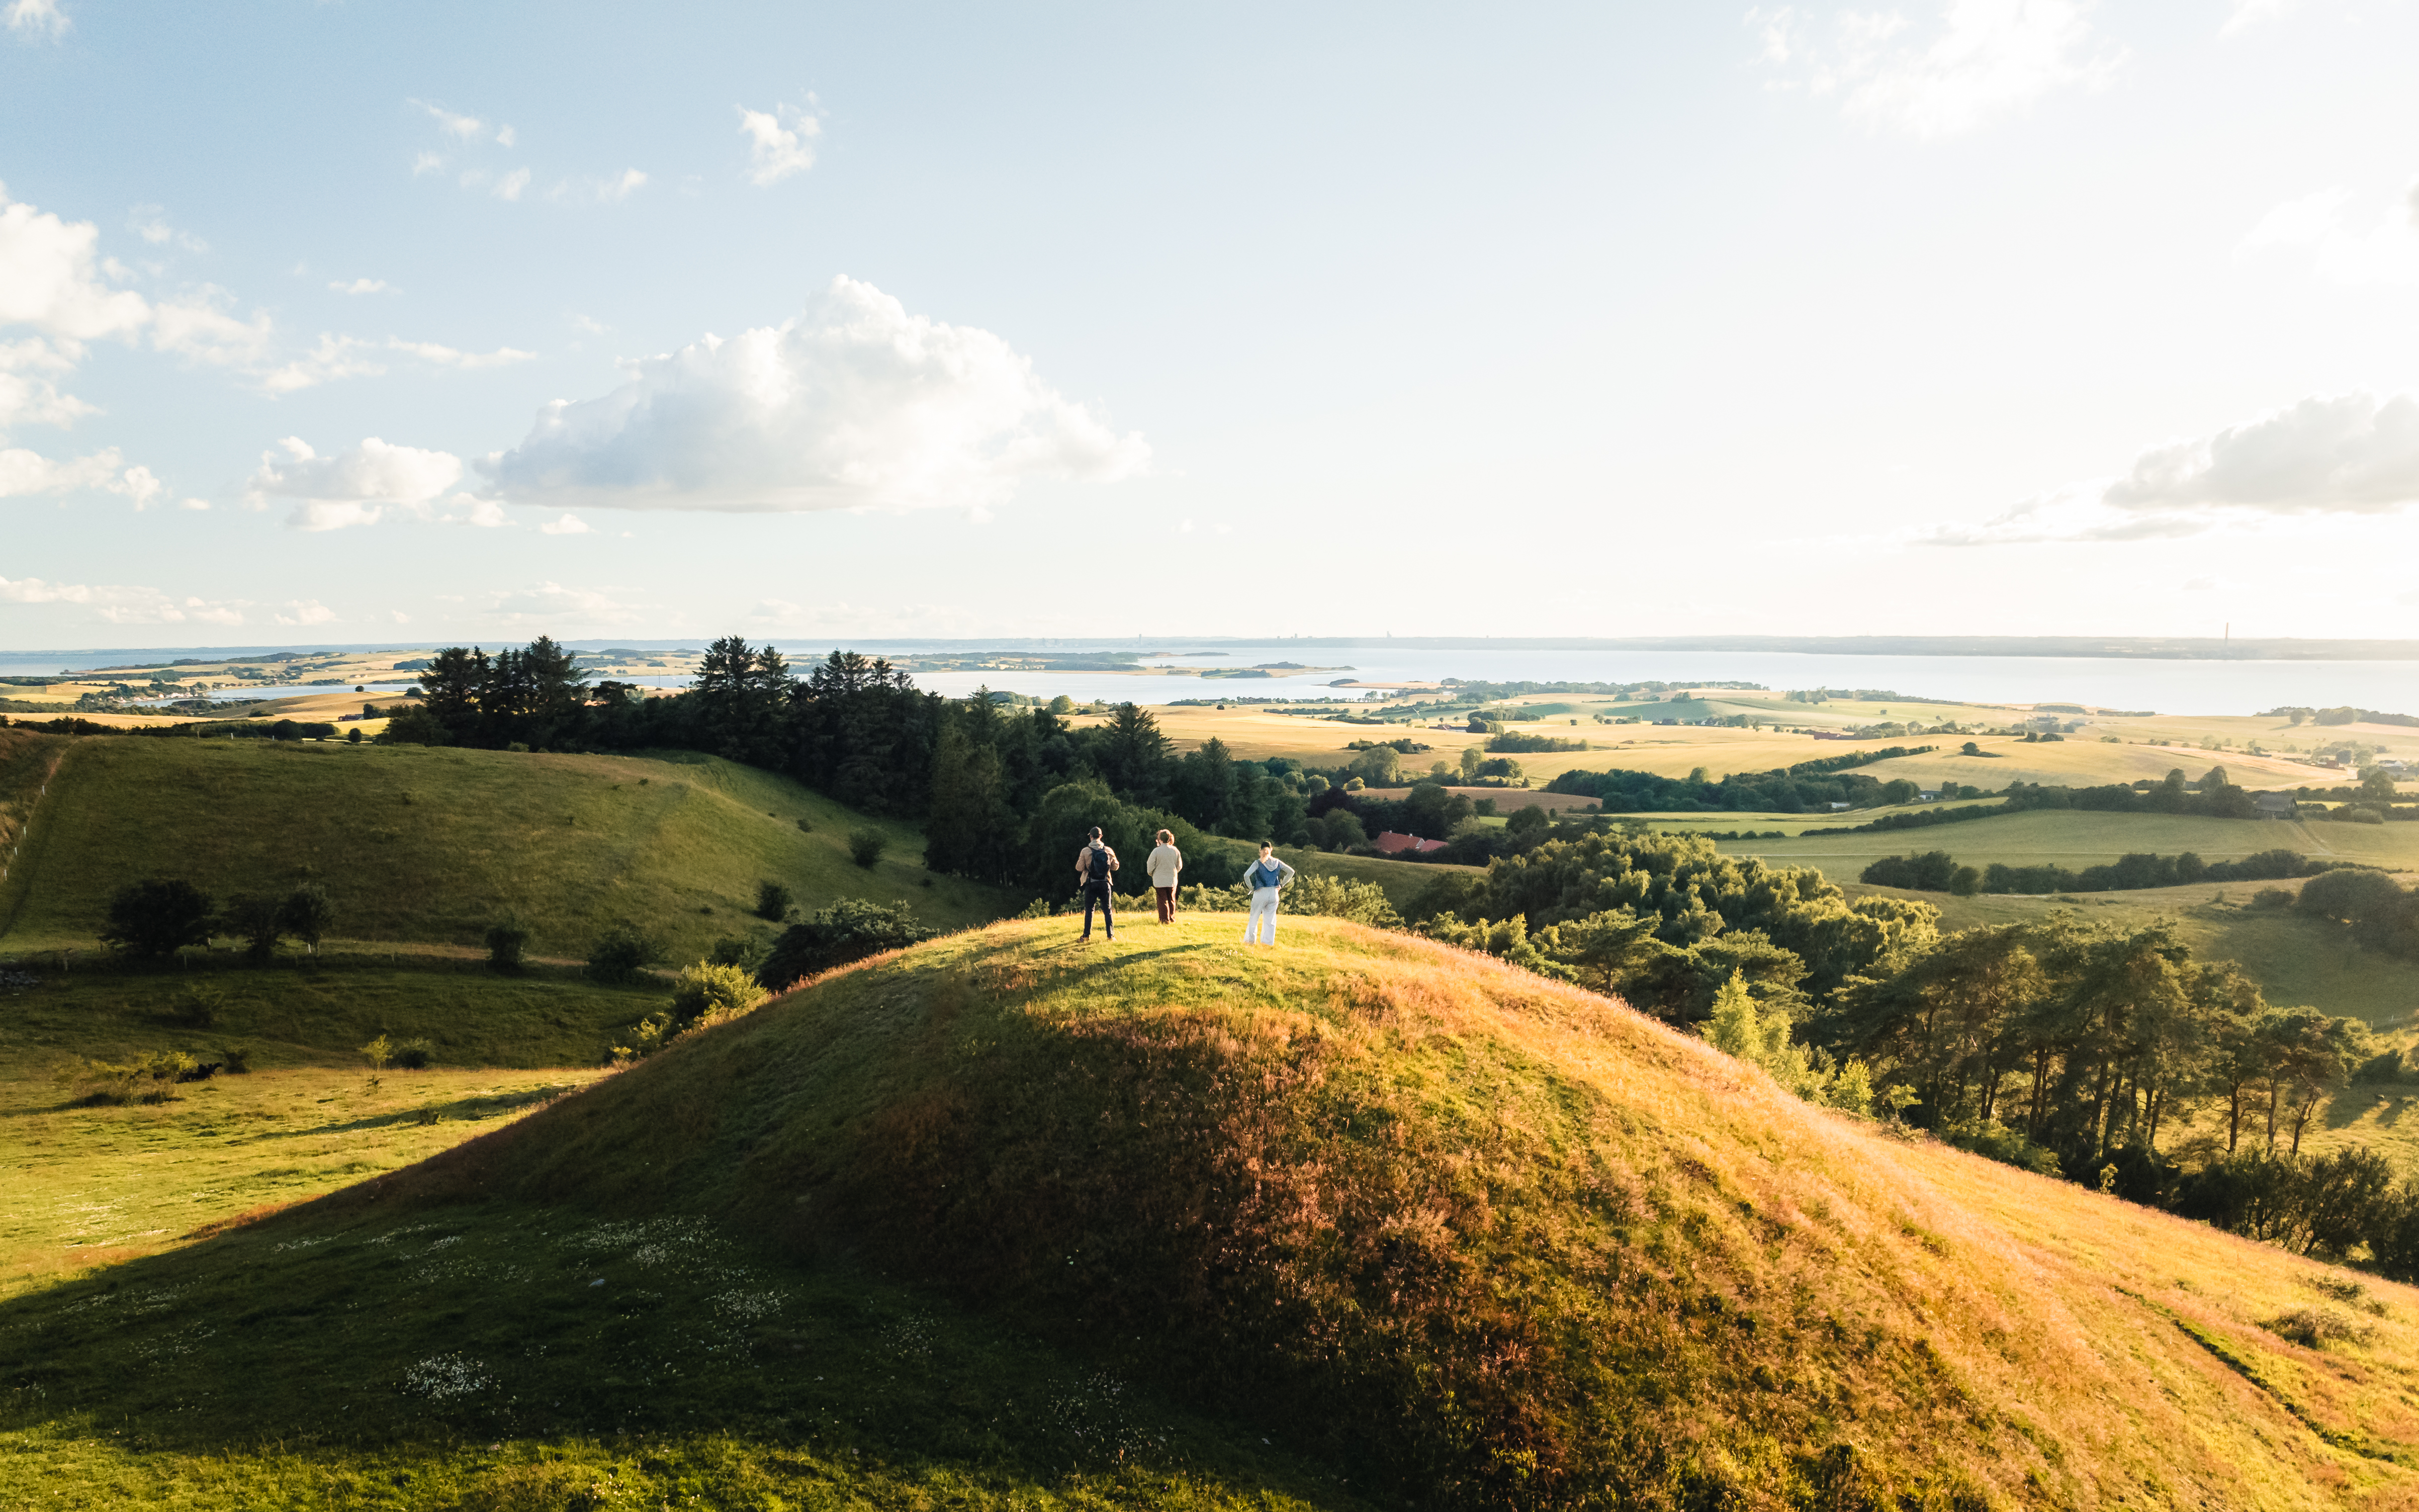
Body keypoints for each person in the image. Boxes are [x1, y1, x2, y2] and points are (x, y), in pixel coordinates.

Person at [1241, 842, 1296, 946]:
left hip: (1260, 892)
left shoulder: (1258, 863)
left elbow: (1246, 876)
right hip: (1274, 893)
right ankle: (1267, 944)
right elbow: (1291, 872)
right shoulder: (1277, 862)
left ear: (1260, 850)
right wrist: (1282, 885)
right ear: (1271, 850)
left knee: (1254, 918)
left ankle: (1250, 942)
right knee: (1270, 921)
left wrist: (1251, 888)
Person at [1073, 826, 1119, 941]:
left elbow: (1079, 868)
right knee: (1108, 910)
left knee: (1089, 910)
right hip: (1105, 883)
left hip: (1091, 883)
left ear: (1091, 837)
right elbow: (1116, 867)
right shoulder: (1108, 850)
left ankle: (1086, 936)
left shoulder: (1086, 851)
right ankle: (1111, 936)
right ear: (1101, 836)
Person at [1145, 828, 1184, 923]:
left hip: (1159, 880)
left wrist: (1152, 874)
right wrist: (1175, 873)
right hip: (1172, 879)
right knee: (1172, 899)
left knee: (1162, 900)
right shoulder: (1175, 850)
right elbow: (1179, 866)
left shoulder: (1156, 851)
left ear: (1160, 839)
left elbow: (1150, 865)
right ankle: (1171, 918)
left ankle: (1164, 920)